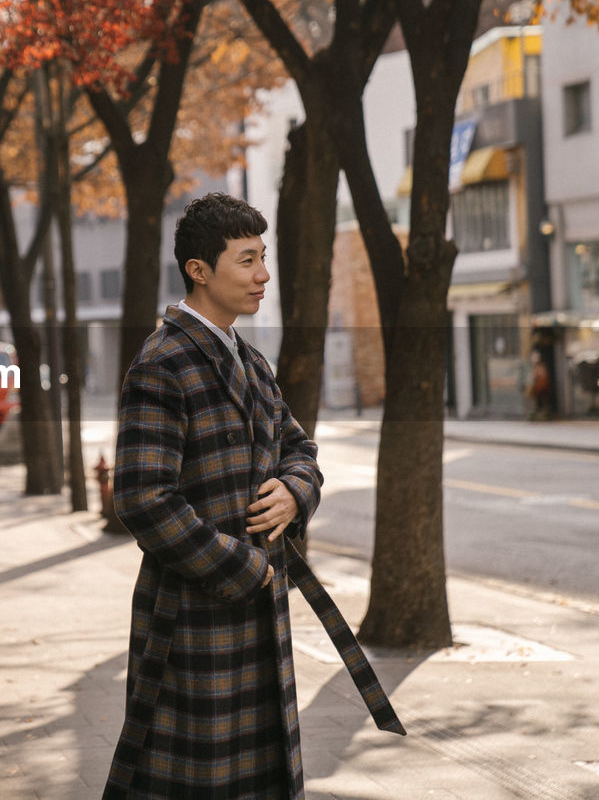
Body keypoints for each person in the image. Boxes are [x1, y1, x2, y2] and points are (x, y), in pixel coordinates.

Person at [104, 193, 401, 800]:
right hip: (190, 617)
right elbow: (141, 498)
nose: (263, 274)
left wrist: (295, 493)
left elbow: (301, 450)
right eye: (246, 260)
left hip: (260, 617)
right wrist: (244, 568)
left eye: (263, 257)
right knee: (196, 782)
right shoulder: (163, 364)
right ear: (199, 270)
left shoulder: (252, 361)